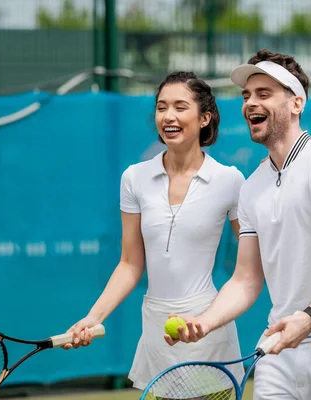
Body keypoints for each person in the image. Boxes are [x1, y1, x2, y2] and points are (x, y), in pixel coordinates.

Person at [165, 49, 311, 400]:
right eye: (247, 96)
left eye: (264, 94)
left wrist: (310, 317)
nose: (250, 103)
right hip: (278, 346)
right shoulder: (252, 188)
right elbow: (247, 278)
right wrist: (202, 323)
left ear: (297, 103)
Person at [62, 71, 246, 392]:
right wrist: (94, 317)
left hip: (207, 326)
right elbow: (131, 263)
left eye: (180, 107)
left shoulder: (230, 180)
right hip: (155, 328)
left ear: (204, 118)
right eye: (161, 108)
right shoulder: (134, 178)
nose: (168, 116)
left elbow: (251, 264)